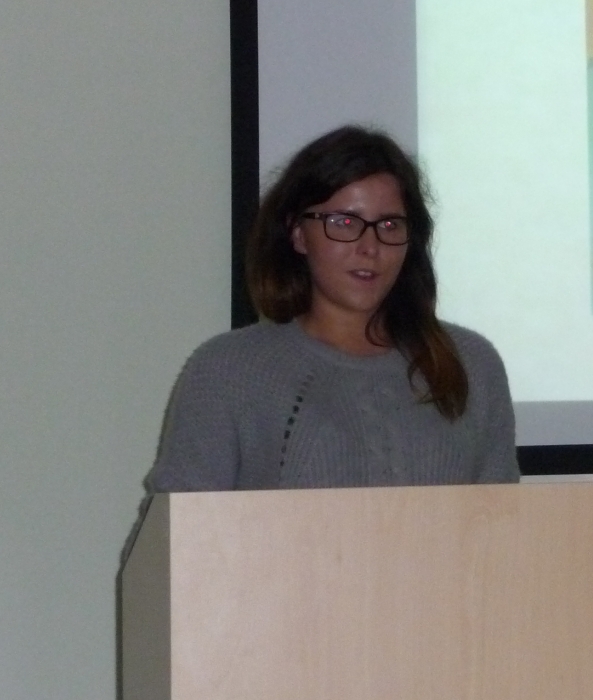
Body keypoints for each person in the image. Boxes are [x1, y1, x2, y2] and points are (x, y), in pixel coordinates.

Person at [145, 125, 519, 493]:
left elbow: (503, 522)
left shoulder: (472, 365)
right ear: (297, 233)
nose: (370, 247)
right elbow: (175, 527)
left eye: (390, 225)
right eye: (344, 222)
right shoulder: (227, 371)